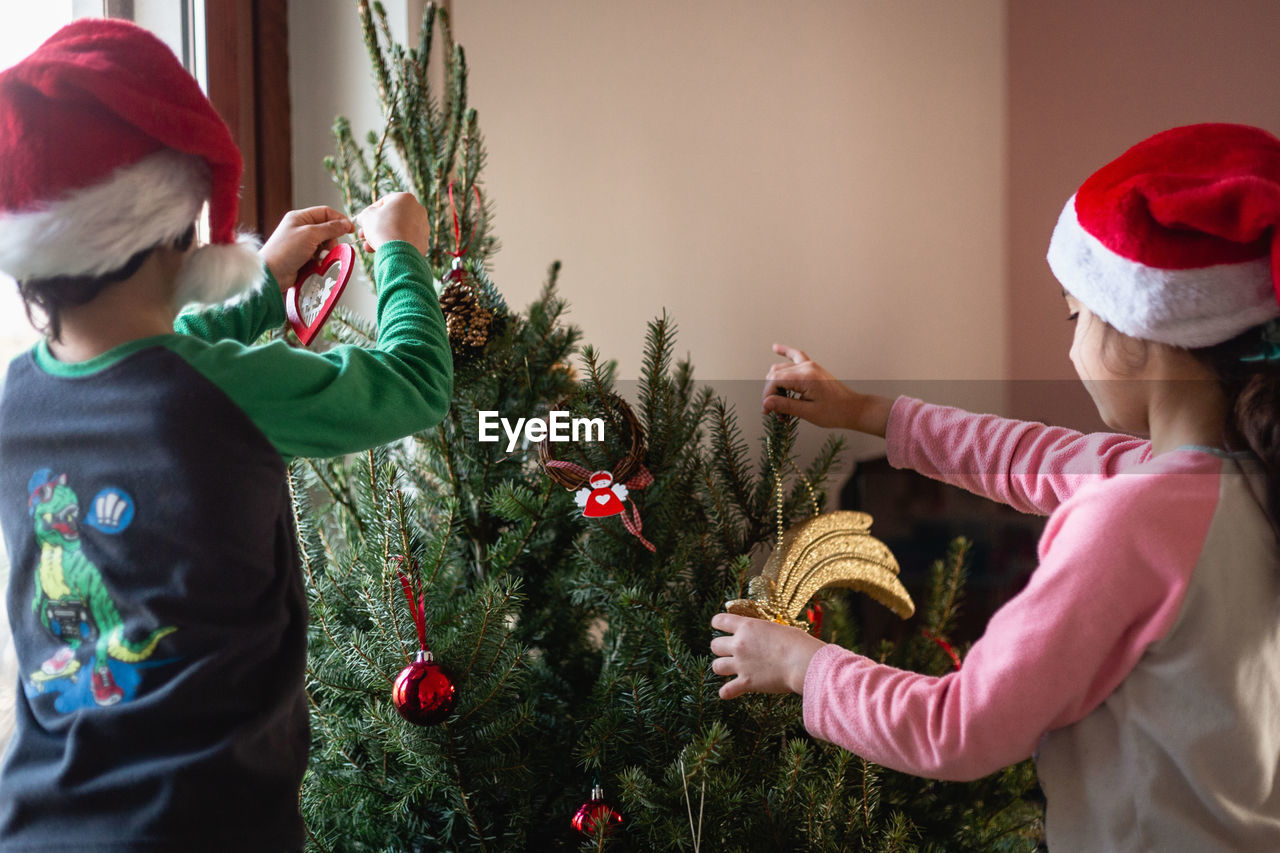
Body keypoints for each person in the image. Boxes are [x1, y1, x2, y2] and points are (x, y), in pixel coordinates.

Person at [711, 123, 1280, 851]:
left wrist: (801, 665)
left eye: (1076, 315)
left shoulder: (1134, 517)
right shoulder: (1236, 485)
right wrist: (867, 412)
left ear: (1138, 335)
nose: (1070, 342)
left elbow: (961, 724)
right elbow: (1034, 455)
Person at [0, 19, 452, 850]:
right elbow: (416, 384)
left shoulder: (18, 399)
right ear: (177, 229)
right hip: (209, 826)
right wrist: (401, 255)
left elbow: (155, 355)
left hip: (39, 822)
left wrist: (263, 279)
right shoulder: (224, 393)